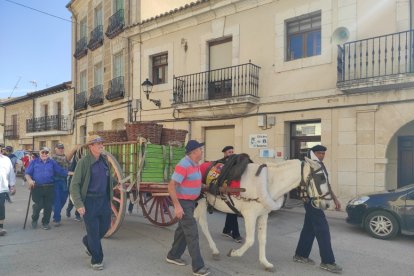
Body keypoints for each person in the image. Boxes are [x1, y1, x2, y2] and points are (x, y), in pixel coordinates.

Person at [293, 145, 342, 274]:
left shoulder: (320, 165)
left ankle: (300, 255)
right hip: (311, 200)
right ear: (314, 153)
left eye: (323, 153)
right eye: (320, 153)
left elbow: (326, 184)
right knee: (323, 229)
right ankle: (327, 262)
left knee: (309, 228)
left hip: (317, 200)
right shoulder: (307, 165)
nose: (322, 155)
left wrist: (335, 199)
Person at [166, 140, 210, 276]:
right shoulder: (183, 165)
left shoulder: (195, 164)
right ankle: (198, 267)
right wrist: (177, 206)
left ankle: (173, 255)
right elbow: (171, 186)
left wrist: (203, 187)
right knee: (192, 234)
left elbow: (192, 181)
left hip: (191, 203)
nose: (202, 151)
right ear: (193, 152)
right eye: (200, 149)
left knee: (182, 231)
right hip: (183, 203)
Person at [70, 135, 113, 270]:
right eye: (97, 143)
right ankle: (97, 259)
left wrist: (119, 184)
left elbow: (107, 179)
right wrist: (79, 204)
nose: (101, 145)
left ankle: (87, 241)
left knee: (105, 227)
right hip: (89, 201)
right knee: (94, 232)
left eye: (101, 143)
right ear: (90, 147)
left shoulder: (104, 161)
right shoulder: (84, 162)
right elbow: (74, 185)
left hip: (103, 200)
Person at [25, 147, 70, 230]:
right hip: (37, 187)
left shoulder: (52, 162)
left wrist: (73, 173)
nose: (45, 154)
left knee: (48, 206)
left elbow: (61, 171)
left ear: (49, 154)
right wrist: (30, 180)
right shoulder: (34, 162)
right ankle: (34, 219)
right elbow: (27, 173)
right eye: (43, 152)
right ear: (39, 153)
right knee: (39, 205)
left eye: (46, 153)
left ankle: (45, 223)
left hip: (49, 187)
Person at [51, 143, 78, 226]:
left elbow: (68, 163)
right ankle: (56, 219)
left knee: (64, 199)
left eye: (62, 148)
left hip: (63, 181)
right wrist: (74, 149)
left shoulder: (64, 157)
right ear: (55, 149)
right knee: (58, 200)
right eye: (59, 148)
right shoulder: (53, 158)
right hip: (55, 181)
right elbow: (65, 160)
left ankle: (54, 209)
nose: (61, 149)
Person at [219, 146, 242, 243]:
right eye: (229, 152)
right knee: (233, 211)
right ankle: (236, 234)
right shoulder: (221, 163)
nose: (232, 153)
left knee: (231, 211)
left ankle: (226, 230)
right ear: (225, 154)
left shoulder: (236, 164)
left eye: (232, 151)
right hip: (225, 190)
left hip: (234, 190)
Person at [0, 150, 16, 236]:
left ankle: (1, 227)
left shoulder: (6, 159)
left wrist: (12, 185)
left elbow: (11, 173)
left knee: (1, 207)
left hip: (2, 188)